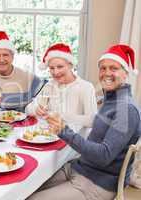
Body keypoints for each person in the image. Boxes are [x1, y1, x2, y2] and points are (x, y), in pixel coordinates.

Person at [28, 44, 141, 200]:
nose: (107, 73)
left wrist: (63, 130)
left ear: (125, 74)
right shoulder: (111, 100)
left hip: (97, 183)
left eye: (113, 68)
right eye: (103, 68)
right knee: (25, 188)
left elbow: (104, 155)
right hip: (79, 168)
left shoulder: (126, 109)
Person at [25, 43, 97, 137]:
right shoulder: (50, 85)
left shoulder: (85, 87)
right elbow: (28, 109)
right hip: (48, 136)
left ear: (71, 65)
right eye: (51, 68)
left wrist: (62, 117)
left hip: (74, 141)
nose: (55, 72)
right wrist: (36, 109)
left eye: (60, 67)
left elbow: (92, 120)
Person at [0, 31, 44, 112]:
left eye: (5, 55)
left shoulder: (26, 76)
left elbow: (45, 91)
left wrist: (37, 107)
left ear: (12, 57)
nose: (1, 60)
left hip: (23, 122)